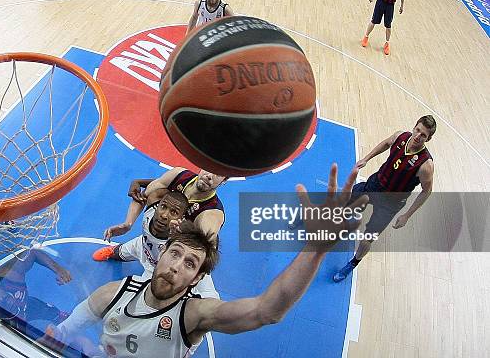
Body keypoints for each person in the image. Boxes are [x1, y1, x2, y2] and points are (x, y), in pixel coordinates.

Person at [40, 165, 367, 357]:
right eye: (176, 255)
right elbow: (147, 190)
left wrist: (315, 248)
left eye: (189, 265)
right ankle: (121, 249)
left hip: (173, 264)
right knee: (133, 248)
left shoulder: (191, 313)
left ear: (196, 279)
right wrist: (61, 334)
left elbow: (266, 311)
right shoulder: (114, 292)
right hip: (147, 244)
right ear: (163, 255)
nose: (176, 265)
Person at [333, 115, 436, 282]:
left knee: (367, 239)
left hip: (390, 204)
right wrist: (366, 159)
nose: (418, 136)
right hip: (375, 184)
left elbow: (427, 191)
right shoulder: (400, 136)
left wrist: (407, 215)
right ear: (414, 126)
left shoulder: (426, 165)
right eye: (417, 130)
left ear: (428, 138)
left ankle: (352, 263)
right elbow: (386, 143)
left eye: (423, 135)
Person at [94, 189, 220, 299]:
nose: (164, 215)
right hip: (142, 245)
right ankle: (113, 251)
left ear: (181, 218)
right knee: (118, 252)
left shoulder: (181, 234)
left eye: (174, 213)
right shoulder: (151, 206)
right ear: (158, 205)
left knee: (145, 294)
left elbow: (208, 240)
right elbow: (155, 186)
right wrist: (138, 182)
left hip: (157, 267)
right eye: (163, 207)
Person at [98, 168, 226, 251]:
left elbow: (206, 250)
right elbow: (144, 194)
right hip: (150, 238)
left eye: (218, 174)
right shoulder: (179, 175)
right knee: (156, 193)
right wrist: (127, 224)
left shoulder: (211, 213)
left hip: (174, 251)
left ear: (224, 181)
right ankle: (119, 252)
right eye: (208, 168)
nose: (210, 175)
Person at [0, 248, 72, 332]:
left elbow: (31, 253)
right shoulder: (3, 328)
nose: (0, 298)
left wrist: (58, 269)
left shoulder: (8, 278)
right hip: (26, 323)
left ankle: (58, 316)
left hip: (30, 307)